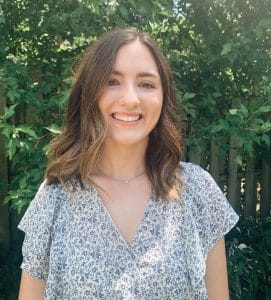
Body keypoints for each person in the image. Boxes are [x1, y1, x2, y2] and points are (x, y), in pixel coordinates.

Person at [18, 28, 239, 300]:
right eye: (112, 81)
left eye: (146, 84)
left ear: (163, 97)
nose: (131, 99)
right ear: (90, 93)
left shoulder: (197, 191)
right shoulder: (55, 197)